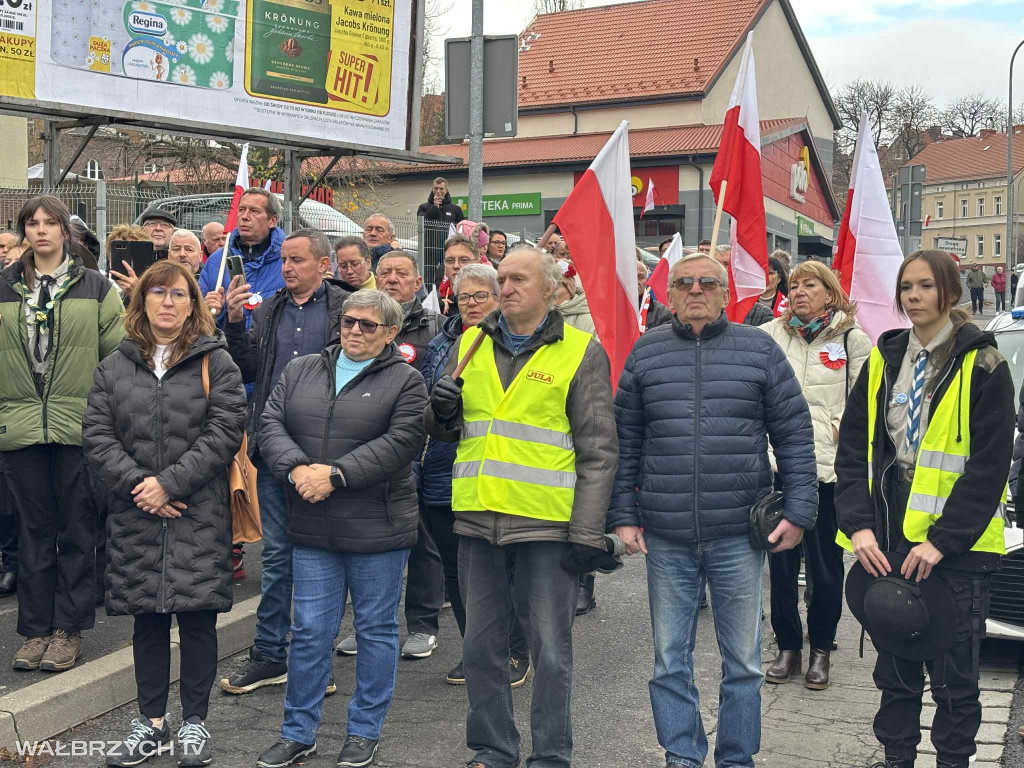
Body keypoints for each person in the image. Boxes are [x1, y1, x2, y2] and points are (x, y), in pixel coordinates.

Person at [609, 252, 817, 768]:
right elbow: (625, 442)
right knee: (668, 661)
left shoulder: (759, 350)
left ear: (726, 294)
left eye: (708, 283)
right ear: (670, 293)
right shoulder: (645, 353)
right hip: (667, 534)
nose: (696, 290)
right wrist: (623, 515)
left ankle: (736, 757)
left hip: (737, 535)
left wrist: (800, 510)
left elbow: (794, 436)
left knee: (744, 661)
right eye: (684, 283)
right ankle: (681, 755)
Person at [425, 244, 617, 768]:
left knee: (550, 654)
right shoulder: (470, 341)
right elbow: (450, 429)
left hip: (546, 525)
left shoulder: (581, 350)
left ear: (552, 290)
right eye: (501, 278)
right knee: (480, 651)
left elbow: (599, 450)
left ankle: (551, 756)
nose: (505, 288)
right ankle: (493, 750)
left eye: (518, 280)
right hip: (477, 517)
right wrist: (438, 415)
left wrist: (587, 531)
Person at [835, 249, 1013, 768]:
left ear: (951, 292)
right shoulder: (882, 359)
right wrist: (859, 526)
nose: (913, 296)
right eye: (906, 287)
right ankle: (898, 760)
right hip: (887, 546)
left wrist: (941, 542)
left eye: (926, 286)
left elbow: (989, 466)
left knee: (956, 684)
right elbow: (853, 454)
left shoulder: (985, 363)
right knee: (895, 680)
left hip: (956, 555)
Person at [82, 260, 245, 767]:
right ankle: (150, 723)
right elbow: (96, 434)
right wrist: (140, 486)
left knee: (197, 619)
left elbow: (225, 430)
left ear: (193, 302)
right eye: (157, 293)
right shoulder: (115, 364)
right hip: (136, 512)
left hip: (197, 508)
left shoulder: (216, 362)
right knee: (147, 621)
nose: (167, 302)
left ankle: (195, 724)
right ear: (142, 301)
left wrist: (169, 483)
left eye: (177, 293)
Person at [256, 289, 427, 768]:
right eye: (349, 321)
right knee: (309, 631)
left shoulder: (407, 381)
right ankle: (298, 732)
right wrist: (296, 471)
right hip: (311, 523)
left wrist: (334, 475)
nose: (354, 330)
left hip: (377, 528)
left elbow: (402, 442)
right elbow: (270, 424)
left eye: (367, 325)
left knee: (374, 629)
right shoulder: (301, 369)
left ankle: (364, 732)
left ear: (390, 332)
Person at [218, 228, 352, 696]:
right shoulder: (271, 307)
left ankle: (314, 659)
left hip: (326, 452)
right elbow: (247, 369)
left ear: (323, 265)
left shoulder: (346, 310)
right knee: (277, 557)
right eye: (286, 259)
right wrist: (234, 322)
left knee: (322, 560)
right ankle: (270, 654)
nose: (288, 267)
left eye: (297, 259)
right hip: (275, 449)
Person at [0, 195, 125, 673]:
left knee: (76, 530)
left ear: (65, 232)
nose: (41, 231)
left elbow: (117, 358)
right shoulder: (5, 286)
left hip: (78, 429)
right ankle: (34, 630)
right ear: (24, 231)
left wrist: (107, 420)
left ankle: (67, 629)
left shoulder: (96, 286)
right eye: (32, 223)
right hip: (21, 428)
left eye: (50, 222)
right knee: (33, 533)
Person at [760, 260, 872, 690]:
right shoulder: (771, 334)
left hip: (828, 471)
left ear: (830, 291)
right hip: (779, 468)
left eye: (810, 284)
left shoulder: (852, 338)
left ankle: (821, 647)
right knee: (781, 565)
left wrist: (841, 424)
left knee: (825, 569)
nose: (800, 291)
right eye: (794, 285)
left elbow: (866, 398)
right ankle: (788, 646)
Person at [420, 263, 532, 687]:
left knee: (501, 572)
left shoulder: (511, 344)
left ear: (498, 298)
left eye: (480, 296)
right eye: (463, 296)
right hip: (441, 475)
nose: (470, 303)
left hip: (491, 477)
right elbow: (427, 406)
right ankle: (476, 649)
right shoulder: (441, 345)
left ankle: (513, 649)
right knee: (456, 572)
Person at [336, 250, 445, 660]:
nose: (392, 279)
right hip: (363, 453)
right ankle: (367, 625)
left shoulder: (433, 326)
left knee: (420, 541)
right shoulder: (359, 324)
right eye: (385, 272)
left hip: (416, 449)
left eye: (402, 273)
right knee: (367, 546)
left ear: (418, 282)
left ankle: (422, 624)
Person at [200, 188, 287, 330]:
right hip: (226, 349)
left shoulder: (287, 261)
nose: (245, 216)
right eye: (241, 209)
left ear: (272, 220)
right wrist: (209, 310)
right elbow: (196, 319)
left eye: (254, 211)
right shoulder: (217, 261)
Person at [712, 244, 775, 326]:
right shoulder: (696, 308)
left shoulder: (761, 314)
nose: (721, 269)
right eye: (715, 263)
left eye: (727, 264)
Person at [438, 234, 481, 319]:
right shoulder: (435, 303)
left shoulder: (492, 301)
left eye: (464, 260)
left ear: (478, 264)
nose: (456, 266)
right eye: (450, 260)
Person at [554, 259, 597, 338]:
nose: (547, 293)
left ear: (569, 289)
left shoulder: (593, 321)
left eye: (555, 287)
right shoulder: (535, 317)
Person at [637, 258, 673, 331]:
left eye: (640, 277)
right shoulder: (611, 308)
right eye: (631, 276)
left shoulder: (662, 313)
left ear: (647, 281)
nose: (636, 281)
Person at [760, 251, 790, 317]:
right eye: (761, 272)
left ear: (779, 278)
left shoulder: (789, 305)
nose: (765, 277)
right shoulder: (745, 302)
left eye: (770, 273)